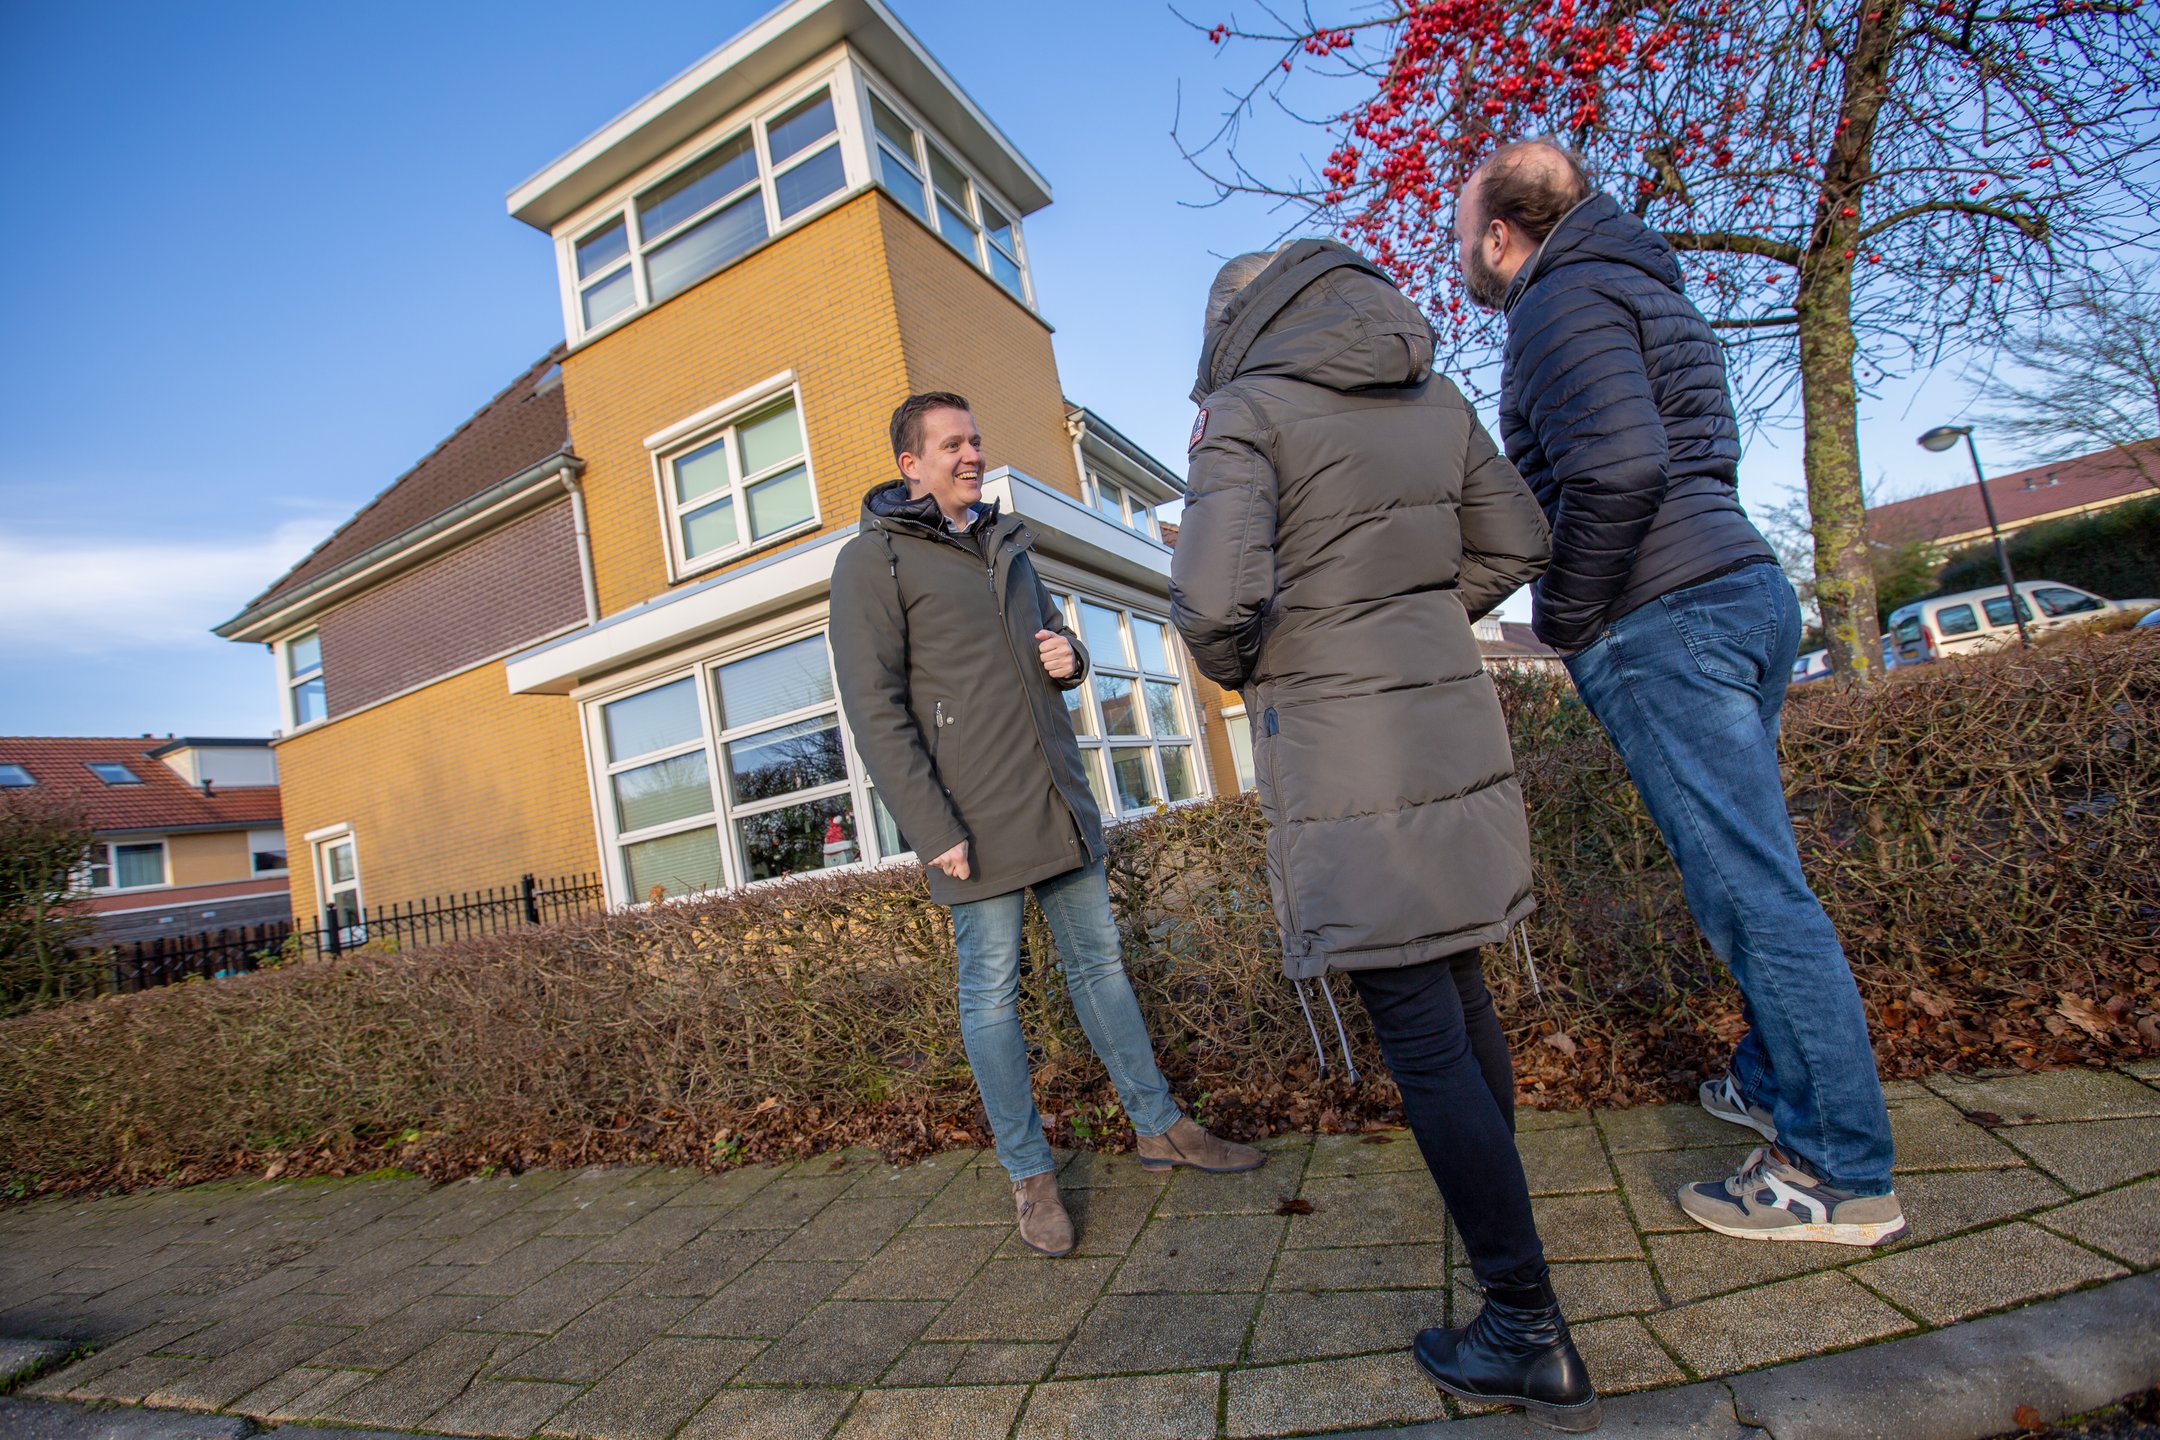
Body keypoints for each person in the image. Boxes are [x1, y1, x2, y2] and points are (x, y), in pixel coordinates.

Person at [1173, 243, 1600, 1433]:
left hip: (1346, 750)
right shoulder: (1432, 389)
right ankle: (1509, 1286)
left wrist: (1286, 653)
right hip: (1445, 731)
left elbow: (1212, 605)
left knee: (1422, 1030)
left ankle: (1526, 1324)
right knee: (1458, 999)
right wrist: (1410, 613)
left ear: (1235, 323)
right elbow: (1517, 541)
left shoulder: (1245, 411)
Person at [1454, 138, 1905, 1247]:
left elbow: (1617, 470)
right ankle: (1773, 1081)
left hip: (1666, 616)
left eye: (1463, 235)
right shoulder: (1648, 287)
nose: (1463, 255)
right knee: (1744, 880)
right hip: (1736, 585)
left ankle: (1838, 1173)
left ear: (1503, 236)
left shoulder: (1556, 306)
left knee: (1755, 894)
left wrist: (1568, 617)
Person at [829, 391, 1264, 1259]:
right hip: (969, 822)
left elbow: (1047, 641)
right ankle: (1029, 1174)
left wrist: (1072, 656)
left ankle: (1159, 1127)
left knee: (1100, 966)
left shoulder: (1003, 540)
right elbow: (873, 709)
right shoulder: (871, 562)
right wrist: (928, 825)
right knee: (989, 997)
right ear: (908, 464)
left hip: (1054, 800)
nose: (971, 453)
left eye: (976, 438)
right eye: (951, 443)